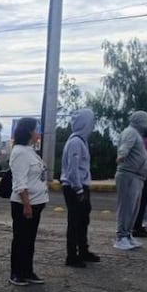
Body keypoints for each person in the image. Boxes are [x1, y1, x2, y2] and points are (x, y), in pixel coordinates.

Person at [8, 117, 48, 285]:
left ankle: (27, 271)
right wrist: (27, 204)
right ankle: (16, 272)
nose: (39, 133)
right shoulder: (19, 152)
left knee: (29, 240)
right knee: (21, 239)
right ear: (29, 132)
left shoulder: (30, 151)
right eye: (36, 130)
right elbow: (20, 182)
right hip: (24, 204)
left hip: (36, 202)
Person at [60, 108, 99, 268]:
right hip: (74, 187)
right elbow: (73, 169)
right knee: (75, 222)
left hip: (80, 186)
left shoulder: (81, 141)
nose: (92, 126)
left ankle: (83, 251)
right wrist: (79, 189)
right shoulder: (76, 142)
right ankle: (72, 255)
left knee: (83, 220)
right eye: (91, 122)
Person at [113, 111, 147, 251]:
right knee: (126, 208)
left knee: (133, 209)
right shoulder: (131, 132)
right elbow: (125, 146)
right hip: (128, 175)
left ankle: (127, 235)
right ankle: (121, 237)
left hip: (136, 176)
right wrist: (121, 155)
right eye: (146, 120)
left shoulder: (136, 134)